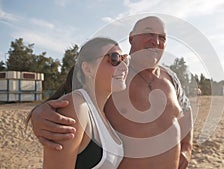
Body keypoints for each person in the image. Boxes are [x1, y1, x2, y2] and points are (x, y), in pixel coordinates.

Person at [29, 16, 193, 169]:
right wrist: (38, 114)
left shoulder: (171, 79)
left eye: (162, 37)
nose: (156, 41)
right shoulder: (111, 79)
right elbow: (70, 102)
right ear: (131, 38)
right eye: (148, 33)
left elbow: (186, 111)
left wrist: (187, 146)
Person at [30, 37, 130, 169]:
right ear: (87, 69)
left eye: (125, 59)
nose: (124, 66)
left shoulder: (103, 112)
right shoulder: (76, 106)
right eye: (115, 58)